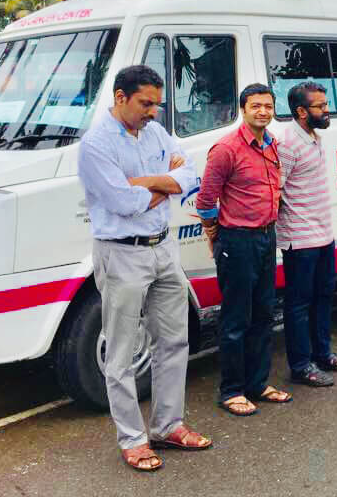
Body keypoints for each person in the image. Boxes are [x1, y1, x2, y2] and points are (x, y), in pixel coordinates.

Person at [77, 65, 210, 472]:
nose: (153, 111)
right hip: (121, 254)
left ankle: (168, 425)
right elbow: (123, 203)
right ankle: (133, 439)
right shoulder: (96, 145)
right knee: (120, 351)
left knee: (174, 341)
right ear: (120, 97)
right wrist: (165, 184)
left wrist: (148, 181)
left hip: (163, 249)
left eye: (157, 103)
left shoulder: (155, 132)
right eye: (145, 103)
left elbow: (191, 175)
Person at [197, 83, 293, 416]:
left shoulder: (272, 145)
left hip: (267, 238)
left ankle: (257, 383)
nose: (263, 111)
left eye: (268, 106)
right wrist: (214, 233)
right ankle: (232, 390)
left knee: (264, 313)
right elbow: (206, 200)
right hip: (237, 241)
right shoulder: (225, 149)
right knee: (236, 318)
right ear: (243, 109)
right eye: (256, 106)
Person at [278, 82, 337, 388]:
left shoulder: (313, 137)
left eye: (325, 104)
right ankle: (300, 366)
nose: (326, 110)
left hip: (323, 235)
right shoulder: (287, 143)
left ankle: (322, 354)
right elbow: (276, 190)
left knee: (324, 297)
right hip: (300, 239)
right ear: (301, 112)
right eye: (320, 106)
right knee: (298, 304)